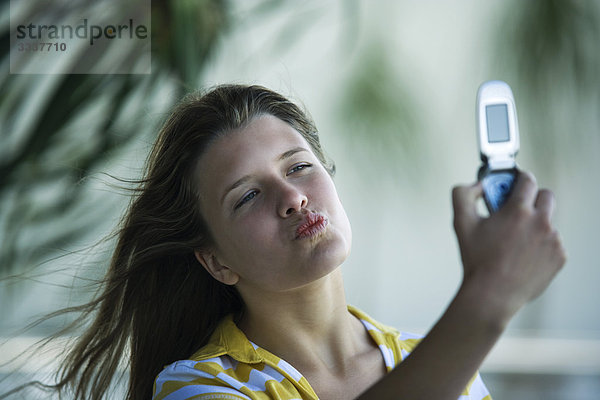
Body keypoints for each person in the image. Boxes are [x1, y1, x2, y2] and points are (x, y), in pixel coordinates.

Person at [3, 84, 565, 400]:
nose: (292, 198)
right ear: (215, 260)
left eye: (299, 166)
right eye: (246, 196)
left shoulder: (437, 362)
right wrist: (487, 302)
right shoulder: (198, 391)